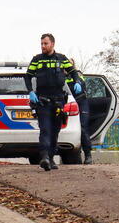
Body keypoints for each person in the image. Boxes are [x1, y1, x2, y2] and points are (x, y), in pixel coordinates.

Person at [24, 33, 80, 171]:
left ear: (52, 44)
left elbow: (73, 72)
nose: (43, 46)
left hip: (59, 101)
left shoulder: (61, 59)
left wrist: (77, 82)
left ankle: (50, 157)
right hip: (43, 100)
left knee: (55, 130)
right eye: (41, 44)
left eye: (45, 43)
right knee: (45, 130)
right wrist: (31, 91)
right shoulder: (37, 60)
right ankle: (44, 157)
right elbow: (28, 77)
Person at [66, 59, 92, 164]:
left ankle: (88, 155)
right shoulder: (60, 76)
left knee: (82, 128)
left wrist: (77, 82)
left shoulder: (77, 74)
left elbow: (80, 83)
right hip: (67, 104)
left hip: (81, 103)